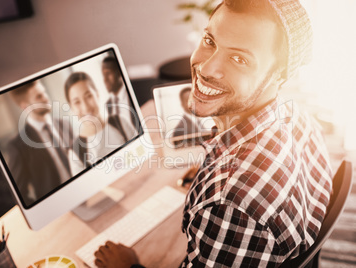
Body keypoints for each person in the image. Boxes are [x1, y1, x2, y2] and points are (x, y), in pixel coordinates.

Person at [93, 0, 333, 267]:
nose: (205, 68)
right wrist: (210, 169)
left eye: (239, 58)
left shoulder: (231, 209)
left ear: (280, 75)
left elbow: (239, 201)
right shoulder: (297, 116)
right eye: (209, 40)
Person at [7, 80, 73, 206]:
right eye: (39, 96)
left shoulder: (65, 124)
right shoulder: (18, 147)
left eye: (44, 92)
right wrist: (44, 211)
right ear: (25, 106)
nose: (46, 98)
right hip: (57, 207)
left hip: (85, 192)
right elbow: (20, 193)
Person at [64, 72, 125, 176]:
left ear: (97, 94)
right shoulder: (75, 154)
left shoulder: (120, 122)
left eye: (88, 96)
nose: (85, 107)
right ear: (71, 108)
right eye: (77, 102)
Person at [102, 56, 137, 142]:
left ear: (118, 73)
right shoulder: (108, 104)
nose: (105, 79)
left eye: (108, 73)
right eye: (103, 75)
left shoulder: (134, 92)